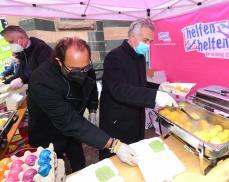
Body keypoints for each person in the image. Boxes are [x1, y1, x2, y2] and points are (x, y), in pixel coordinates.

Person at [27, 37, 137, 172]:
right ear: (59, 61)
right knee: (53, 167)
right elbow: (68, 121)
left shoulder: (84, 67)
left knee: (78, 159)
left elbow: (91, 89)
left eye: (85, 68)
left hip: (74, 128)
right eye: (74, 70)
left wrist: (92, 109)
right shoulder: (41, 81)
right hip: (48, 131)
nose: (82, 73)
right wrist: (114, 145)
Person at [99, 19, 177, 159]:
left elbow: (139, 84)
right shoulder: (115, 57)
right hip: (118, 120)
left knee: (135, 154)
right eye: (145, 40)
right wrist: (154, 96)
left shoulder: (139, 56)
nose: (148, 45)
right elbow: (119, 89)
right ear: (132, 37)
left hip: (136, 116)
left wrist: (159, 87)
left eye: (150, 42)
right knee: (115, 159)